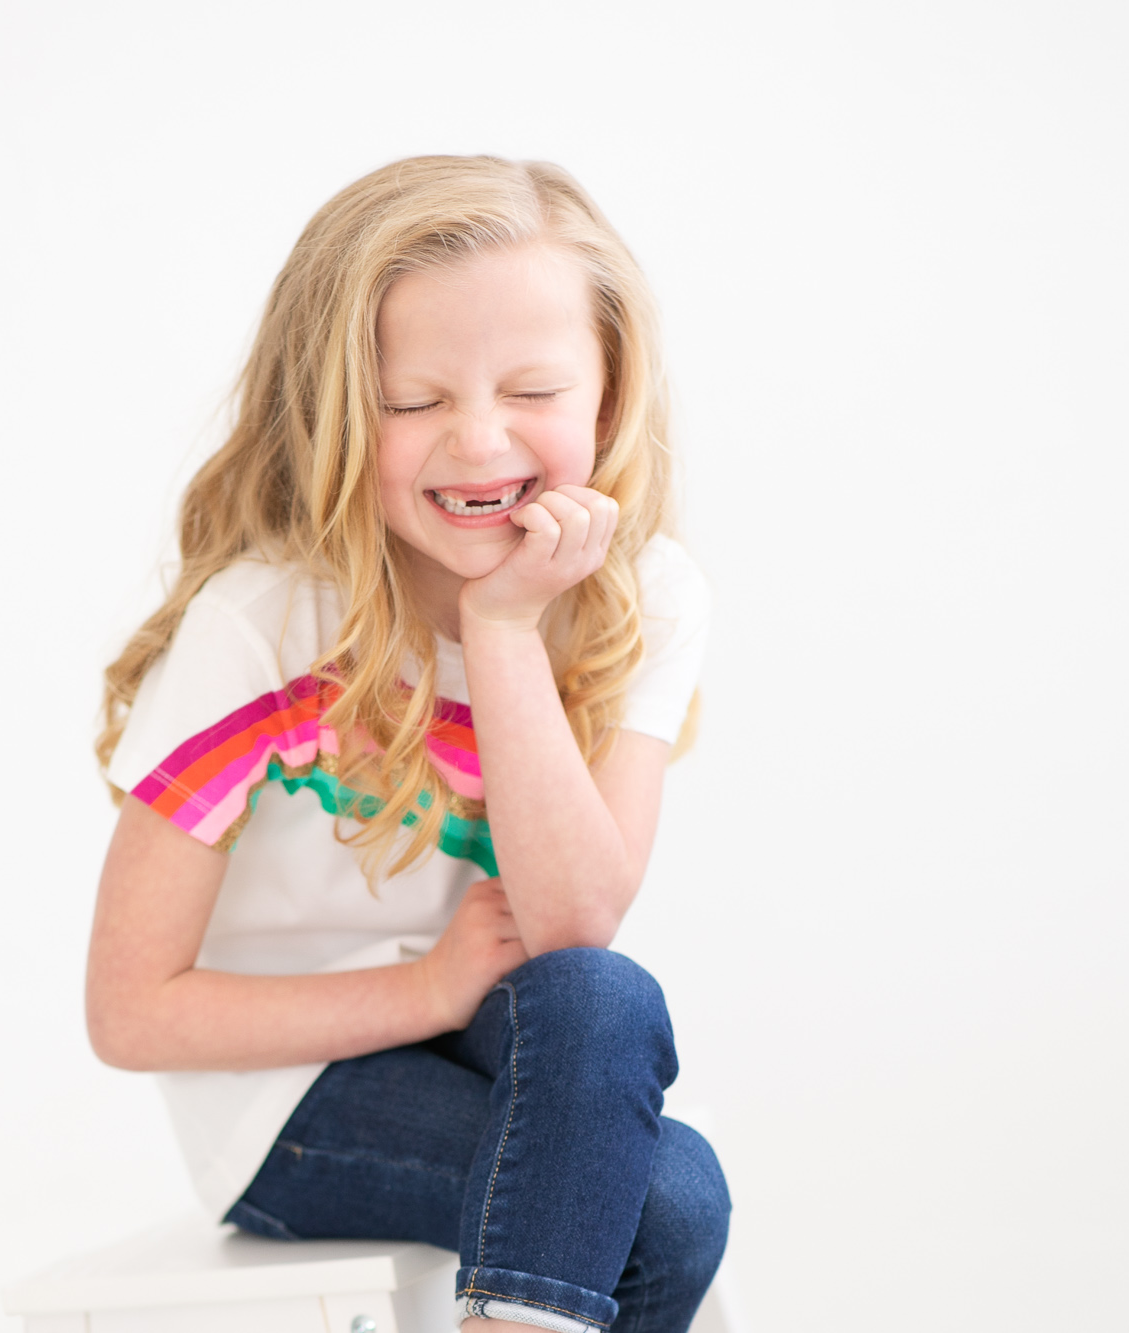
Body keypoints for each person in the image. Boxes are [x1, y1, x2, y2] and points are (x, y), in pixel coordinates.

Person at [86, 156, 730, 1333]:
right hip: (287, 1101)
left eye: (531, 387)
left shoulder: (645, 595)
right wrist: (426, 987)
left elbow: (572, 925)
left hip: (513, 1047)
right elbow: (129, 1011)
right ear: (333, 407)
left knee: (601, 992)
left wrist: (499, 625)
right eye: (411, 400)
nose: (476, 441)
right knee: (668, 1206)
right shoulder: (262, 625)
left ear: (607, 393)